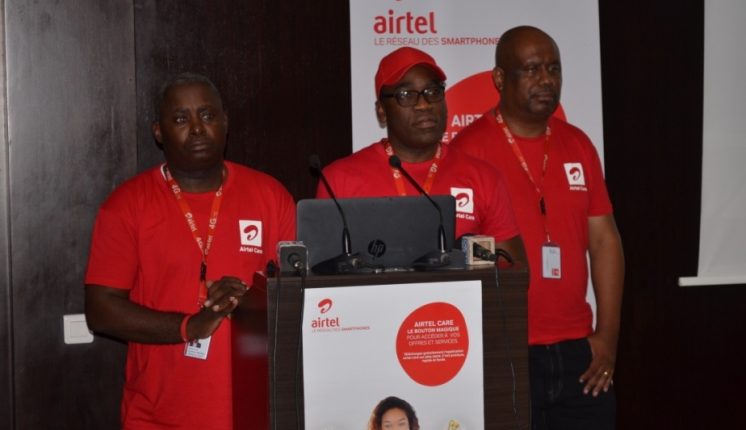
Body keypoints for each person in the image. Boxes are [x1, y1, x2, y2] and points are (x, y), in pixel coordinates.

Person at [84, 72, 295, 429]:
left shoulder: (271, 197)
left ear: (225, 122)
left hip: (257, 413)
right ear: (158, 131)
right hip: (159, 417)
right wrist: (189, 326)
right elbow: (101, 311)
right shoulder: (126, 206)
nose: (197, 128)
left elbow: (298, 303)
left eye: (207, 115)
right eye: (181, 119)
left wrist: (249, 300)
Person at [452, 26, 625, 428]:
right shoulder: (468, 151)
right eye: (531, 69)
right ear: (499, 79)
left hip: (580, 352)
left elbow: (604, 242)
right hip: (505, 351)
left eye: (553, 69)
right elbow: (458, 259)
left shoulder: (578, 144)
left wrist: (608, 337)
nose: (546, 80)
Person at [317, 47, 525, 263]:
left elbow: (512, 271)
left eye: (433, 92)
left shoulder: (484, 178)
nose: (424, 104)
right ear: (382, 111)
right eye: (406, 95)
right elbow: (321, 272)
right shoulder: (339, 181)